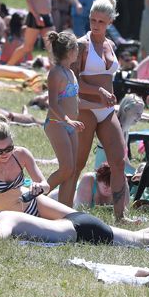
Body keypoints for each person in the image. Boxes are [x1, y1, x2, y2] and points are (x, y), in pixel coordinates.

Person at [72, 0, 131, 221]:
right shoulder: (81, 44)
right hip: (86, 108)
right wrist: (99, 92)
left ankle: (120, 216)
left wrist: (107, 93)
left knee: (118, 161)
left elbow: (107, 77)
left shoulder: (110, 44)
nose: (96, 25)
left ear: (110, 23)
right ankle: (65, 210)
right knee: (77, 164)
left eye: (101, 22)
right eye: (93, 20)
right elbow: (74, 82)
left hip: (106, 110)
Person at [0, 115, 79, 219]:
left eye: (9, 148)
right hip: (13, 217)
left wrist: (39, 186)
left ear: (12, 141)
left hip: (35, 203)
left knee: (79, 219)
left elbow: (46, 187)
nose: (4, 154)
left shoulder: (22, 154)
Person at [40, 31, 103, 204]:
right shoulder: (56, 73)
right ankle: (35, 197)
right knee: (66, 168)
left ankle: (65, 210)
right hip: (56, 124)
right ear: (70, 51)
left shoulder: (71, 73)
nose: (79, 52)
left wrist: (101, 105)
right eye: (77, 48)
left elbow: (75, 102)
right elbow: (53, 104)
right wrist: (68, 121)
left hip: (70, 125)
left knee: (73, 170)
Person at [0, 210, 149, 250]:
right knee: (140, 235)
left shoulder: (5, 221)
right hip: (76, 221)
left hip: (82, 230)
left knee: (143, 240)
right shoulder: (3, 214)